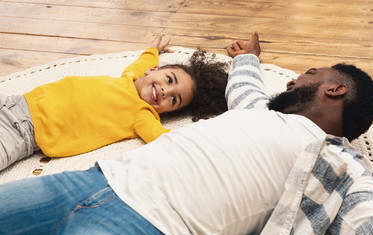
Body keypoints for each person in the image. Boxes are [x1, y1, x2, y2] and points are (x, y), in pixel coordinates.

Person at [0, 32, 373, 235]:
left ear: (334, 90)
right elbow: (244, 85)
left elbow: (372, 225)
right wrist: (248, 57)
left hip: (146, 225)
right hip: (94, 178)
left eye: (311, 76)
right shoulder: (258, 109)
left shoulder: (340, 164)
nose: (298, 78)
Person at [0, 34, 229, 172]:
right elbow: (143, 62)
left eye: (174, 100)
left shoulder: (142, 115)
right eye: (169, 80)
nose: (164, 91)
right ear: (154, 71)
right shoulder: (128, 77)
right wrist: (153, 49)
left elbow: (166, 140)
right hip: (17, 102)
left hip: (24, 133)